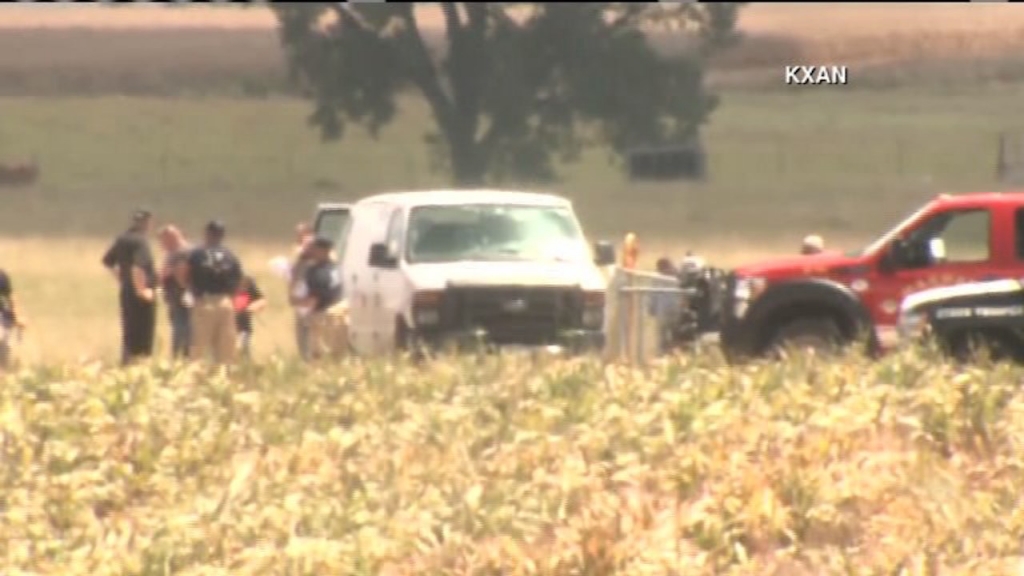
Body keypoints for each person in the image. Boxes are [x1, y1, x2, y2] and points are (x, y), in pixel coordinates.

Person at [101, 209, 158, 365]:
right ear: (148, 222)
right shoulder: (141, 241)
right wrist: (143, 290)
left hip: (126, 292)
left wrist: (121, 279)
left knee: (129, 332)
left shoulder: (122, 239)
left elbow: (107, 261)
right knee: (143, 334)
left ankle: (126, 364)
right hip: (139, 295)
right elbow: (138, 267)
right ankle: (138, 367)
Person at [185, 220, 243, 365]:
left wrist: (192, 292)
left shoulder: (197, 254)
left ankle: (195, 378)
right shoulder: (230, 255)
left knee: (200, 345)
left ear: (207, 233)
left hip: (205, 301)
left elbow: (186, 274)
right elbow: (239, 279)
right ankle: (224, 378)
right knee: (226, 347)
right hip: (225, 302)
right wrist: (231, 297)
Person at [299, 236, 348, 361]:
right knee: (336, 354)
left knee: (319, 354)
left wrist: (307, 313)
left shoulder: (316, 271)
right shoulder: (336, 268)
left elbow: (316, 295)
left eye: (315, 249)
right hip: (339, 312)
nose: (313, 252)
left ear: (323, 251)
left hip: (323, 315)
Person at [158, 225, 192, 359]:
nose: (162, 245)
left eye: (163, 241)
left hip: (181, 298)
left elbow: (169, 273)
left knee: (182, 328)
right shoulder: (180, 252)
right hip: (179, 297)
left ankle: (180, 357)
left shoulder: (180, 253)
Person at [289, 226, 315, 360]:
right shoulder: (300, 262)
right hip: (300, 304)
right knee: (301, 335)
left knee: (312, 336)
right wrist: (292, 295)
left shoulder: (317, 264)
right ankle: (305, 360)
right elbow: (293, 277)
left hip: (312, 305)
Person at [233, 275, 267, 359]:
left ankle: (246, 366)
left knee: (241, 347)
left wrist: (253, 306)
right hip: (227, 328)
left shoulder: (249, 285)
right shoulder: (225, 286)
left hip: (243, 327)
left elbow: (262, 301)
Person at [0, 268, 26, 369]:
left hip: (3, 316)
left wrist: (18, 317)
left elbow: (10, 297)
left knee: (5, 345)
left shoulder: (2, 276)